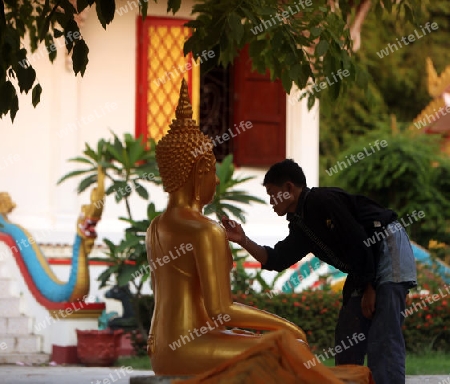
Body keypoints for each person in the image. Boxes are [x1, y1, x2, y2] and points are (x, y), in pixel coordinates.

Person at [146, 81, 307, 376]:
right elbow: (221, 312)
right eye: (213, 172)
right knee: (292, 344)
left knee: (267, 343)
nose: (217, 181)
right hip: (190, 348)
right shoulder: (204, 230)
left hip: (161, 348)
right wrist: (287, 326)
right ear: (199, 172)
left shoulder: (156, 226)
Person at [222, 158, 417, 384]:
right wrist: (242, 239)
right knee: (348, 334)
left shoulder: (322, 201)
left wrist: (370, 287)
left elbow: (359, 240)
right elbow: (276, 259)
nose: (271, 201)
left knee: (383, 337)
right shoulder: (301, 225)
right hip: (364, 266)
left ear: (289, 188)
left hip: (384, 246)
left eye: (272, 193)